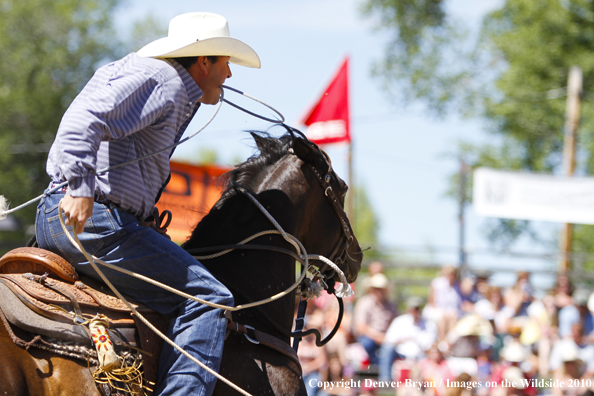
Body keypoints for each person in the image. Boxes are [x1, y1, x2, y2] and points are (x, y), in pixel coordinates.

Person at [35, 12, 261, 396]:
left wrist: (138, 212)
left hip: (66, 220)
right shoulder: (165, 82)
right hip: (93, 224)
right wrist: (81, 187)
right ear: (204, 61)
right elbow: (82, 119)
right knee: (208, 298)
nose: (229, 75)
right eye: (225, 62)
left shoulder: (159, 79)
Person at [378, 296, 436, 382]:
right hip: (401, 353)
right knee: (387, 348)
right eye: (413, 309)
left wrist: (419, 343)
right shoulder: (400, 321)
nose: (415, 311)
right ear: (408, 309)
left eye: (417, 309)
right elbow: (389, 340)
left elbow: (431, 343)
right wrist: (404, 340)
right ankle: (385, 379)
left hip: (421, 355)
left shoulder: (429, 324)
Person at [353, 273, 398, 365]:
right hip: (369, 338)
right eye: (376, 288)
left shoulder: (390, 305)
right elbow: (360, 327)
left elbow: (396, 323)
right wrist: (380, 337)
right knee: (366, 344)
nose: (378, 291)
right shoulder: (364, 303)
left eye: (381, 289)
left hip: (386, 338)